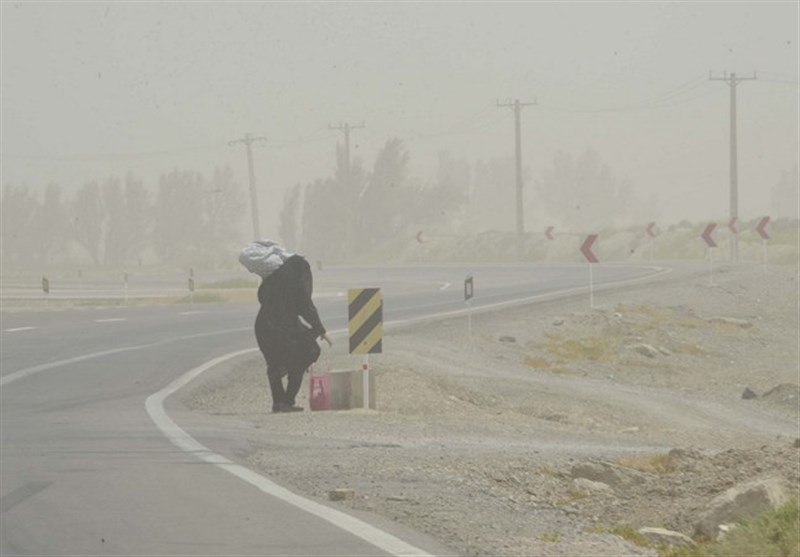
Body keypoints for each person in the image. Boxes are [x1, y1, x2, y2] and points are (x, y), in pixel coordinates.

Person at [253, 248, 332, 413]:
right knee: (306, 353)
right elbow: (305, 305)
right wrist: (320, 329)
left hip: (263, 327)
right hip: (282, 328)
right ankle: (287, 401)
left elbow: (262, 296)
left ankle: (278, 402)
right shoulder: (297, 281)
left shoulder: (273, 280)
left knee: (274, 363)